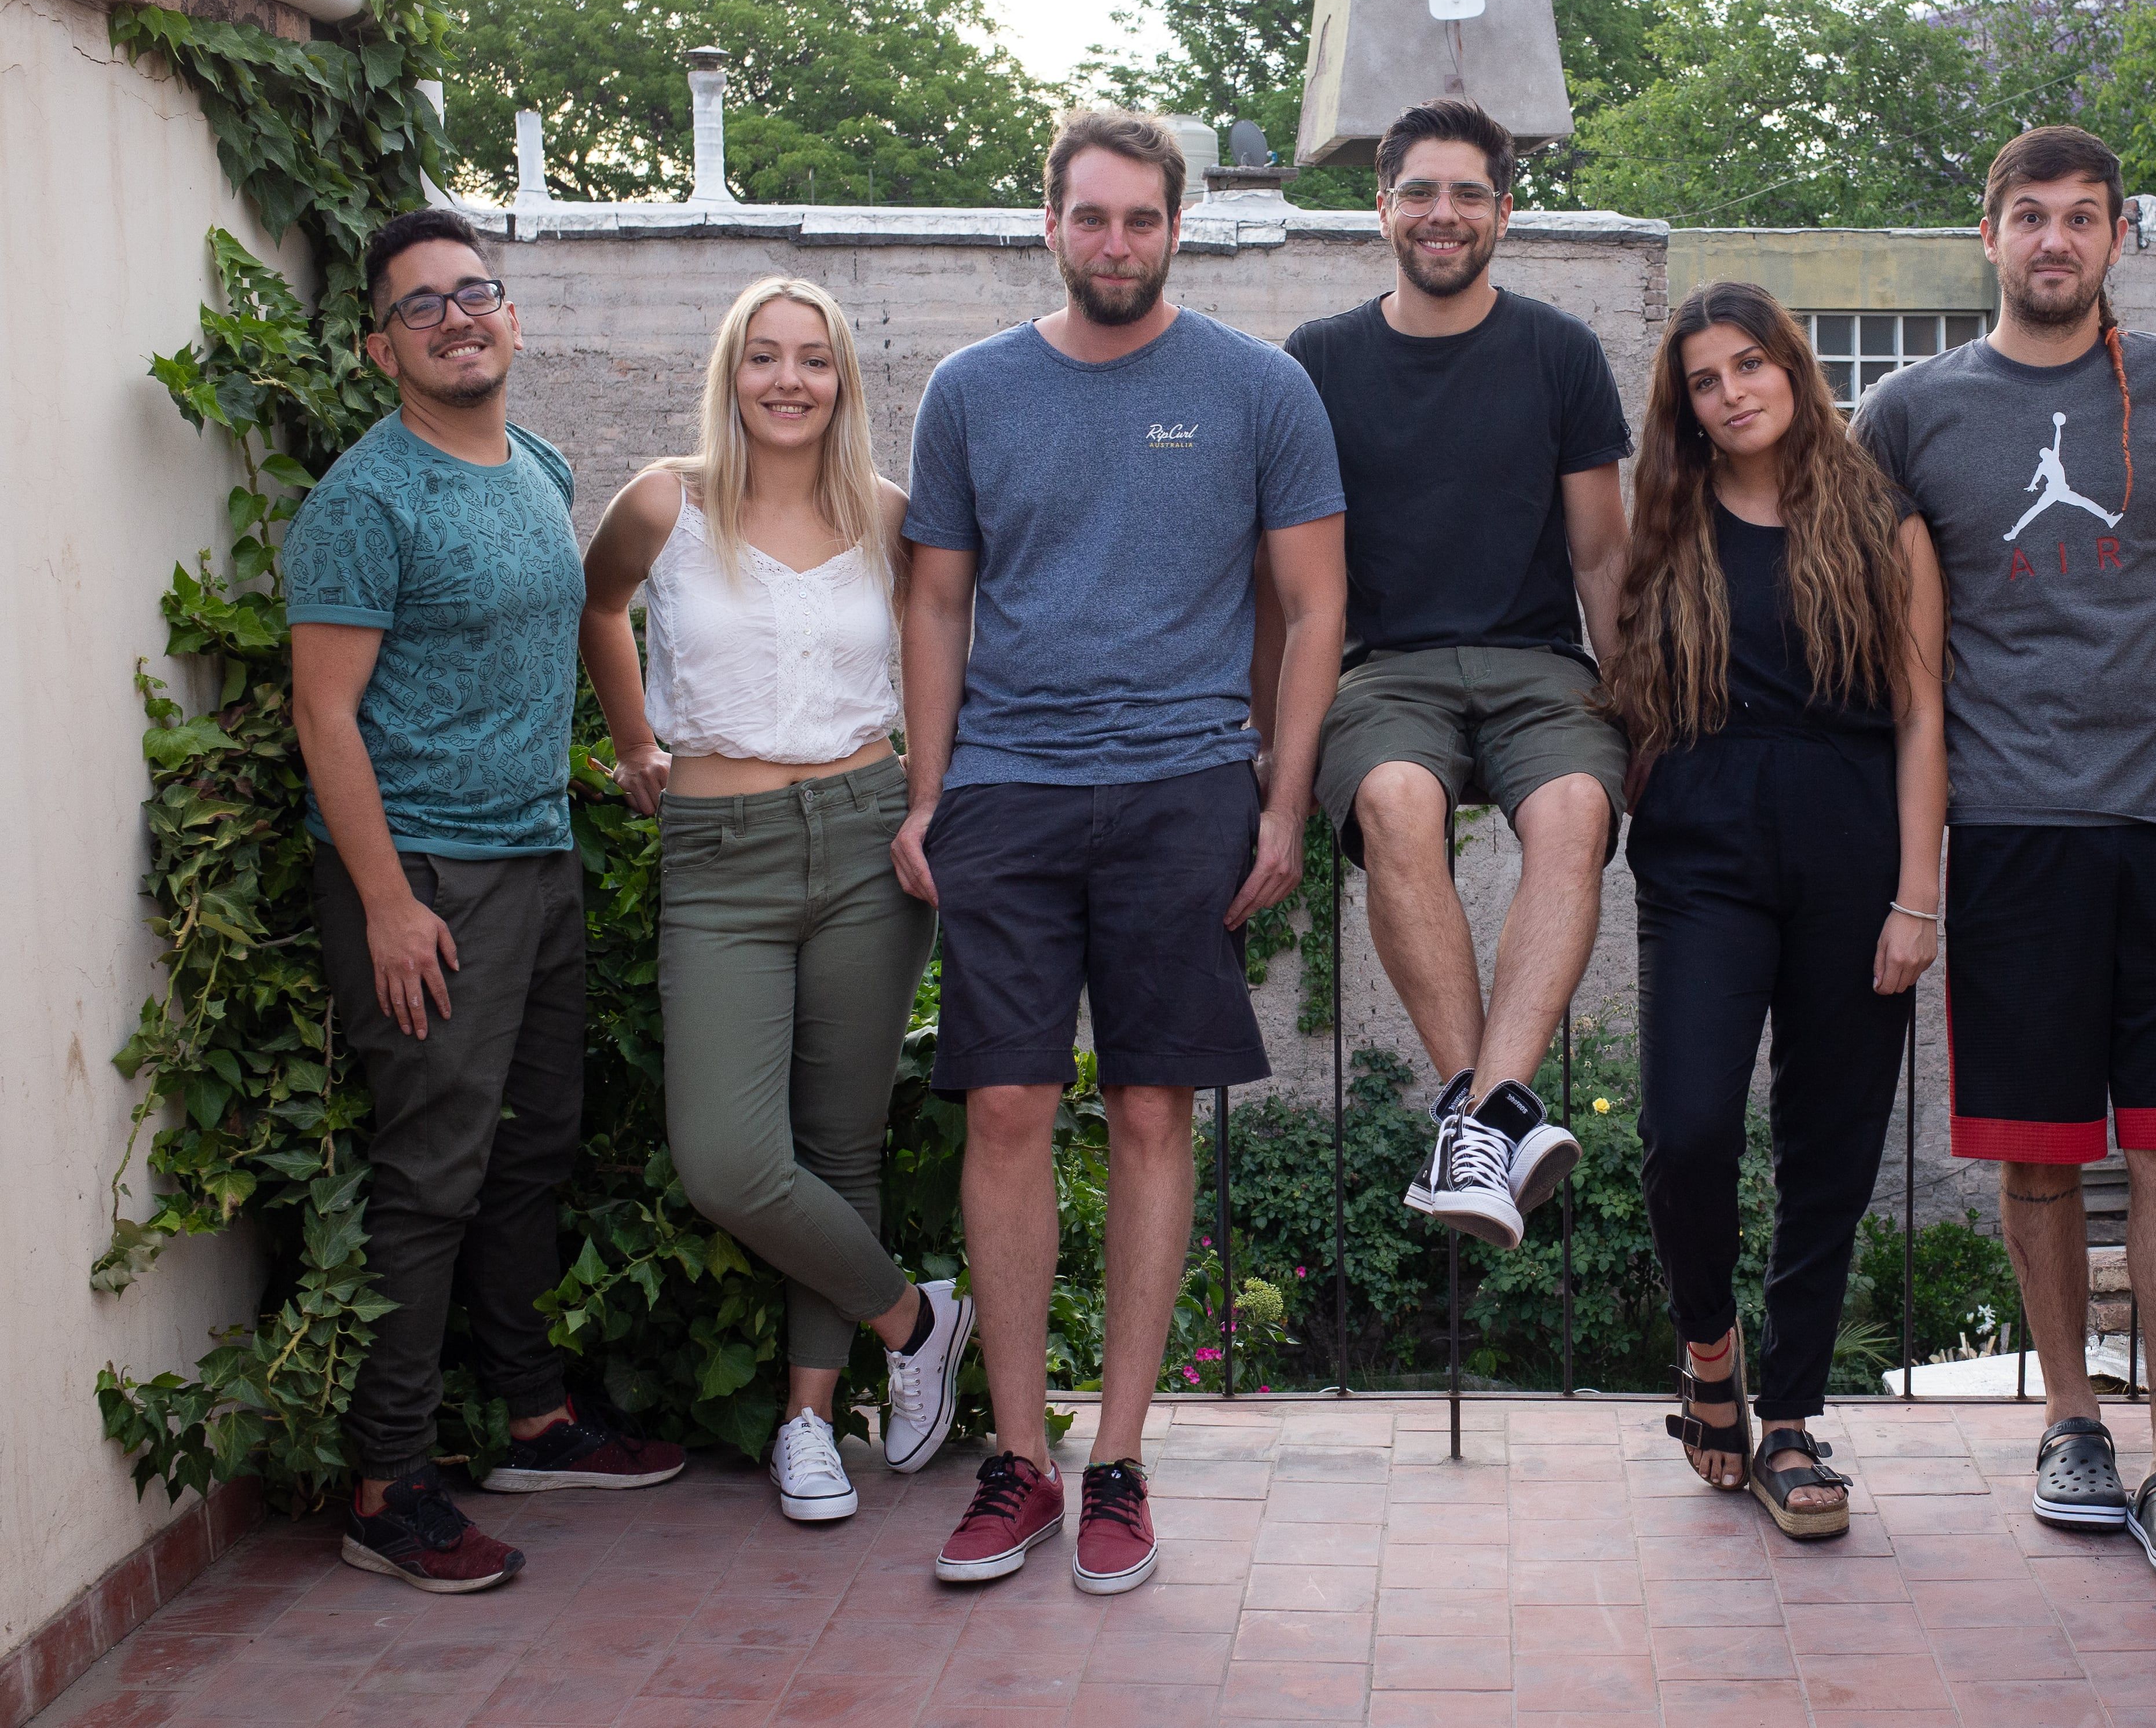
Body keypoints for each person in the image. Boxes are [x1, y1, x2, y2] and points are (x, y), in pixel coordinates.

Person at [891, 110, 1346, 1595]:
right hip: (1011, 794)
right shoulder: (970, 390)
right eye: (1089, 219)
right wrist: (929, 792)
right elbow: (940, 603)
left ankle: (1124, 1461)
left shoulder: (1256, 388)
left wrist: (1281, 799)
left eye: (1141, 220)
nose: (1115, 244)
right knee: (1007, 1107)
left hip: (1184, 785)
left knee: (1155, 1111)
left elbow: (1313, 603)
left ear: (1178, 225)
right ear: (1048, 224)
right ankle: (1018, 1458)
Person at [1855, 125, 2156, 1586]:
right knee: (2038, 1154)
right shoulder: (1908, 410)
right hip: (2015, 826)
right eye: (2029, 216)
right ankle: (2072, 1419)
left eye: (2081, 218)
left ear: (2115, 239)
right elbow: (1865, 606)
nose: (2054, 240)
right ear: (1989, 235)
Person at [286, 208, 684, 1597]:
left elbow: (582, 619)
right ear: (379, 344)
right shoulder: (366, 500)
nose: (458, 318)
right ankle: (389, 1486)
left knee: (533, 1148)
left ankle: (534, 1419)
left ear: (511, 315)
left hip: (540, 856)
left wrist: (628, 749)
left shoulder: (537, 462)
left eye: (477, 293)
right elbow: (325, 715)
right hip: (431, 883)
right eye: (423, 305)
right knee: (433, 1177)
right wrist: (389, 902)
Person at [578, 275, 969, 1526]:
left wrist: (929, 800)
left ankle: (808, 1421)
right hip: (719, 851)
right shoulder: (664, 504)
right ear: (732, 374)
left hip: (865, 839)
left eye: (814, 359)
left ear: (844, 379)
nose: (789, 380)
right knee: (730, 1160)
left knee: (839, 1144)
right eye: (765, 357)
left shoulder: (894, 519)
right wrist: (638, 741)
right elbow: (597, 607)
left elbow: (949, 651)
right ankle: (918, 1320)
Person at [1601, 283, 1946, 1542]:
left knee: (1830, 1145)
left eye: (1752, 363)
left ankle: (1790, 1418)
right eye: (1705, 378)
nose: (1734, 389)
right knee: (1685, 1125)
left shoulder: (1881, 521)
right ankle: (1709, 1353)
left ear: (1793, 369)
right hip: (1702, 831)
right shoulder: (1668, 520)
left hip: (1854, 834)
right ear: (1683, 407)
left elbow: (1921, 718)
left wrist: (1919, 893)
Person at [1278, 97, 1631, 1253]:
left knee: (1578, 806)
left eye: (1468, 193)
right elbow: (1293, 584)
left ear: (1504, 211)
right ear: (1380, 206)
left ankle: (1478, 1117)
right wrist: (1271, 763)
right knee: (1394, 801)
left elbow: (1598, 554)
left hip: (1539, 662)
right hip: (1388, 669)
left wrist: (1640, 716)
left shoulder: (1559, 351)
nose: (1443, 213)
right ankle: (1495, 1116)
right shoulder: (1319, 362)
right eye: (1420, 191)